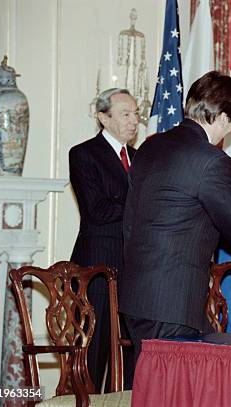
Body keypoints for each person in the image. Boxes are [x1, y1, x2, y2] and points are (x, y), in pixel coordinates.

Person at [120, 71, 231, 379]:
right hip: (173, 298)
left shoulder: (150, 146)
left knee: (146, 384)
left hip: (136, 293)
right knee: (169, 388)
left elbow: (131, 217)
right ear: (224, 117)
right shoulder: (211, 160)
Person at [69, 88, 138, 391]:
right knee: (94, 356)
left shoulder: (141, 158)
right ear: (102, 117)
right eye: (126, 114)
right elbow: (97, 210)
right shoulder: (84, 154)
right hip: (96, 271)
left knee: (131, 356)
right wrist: (140, 202)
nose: (134, 120)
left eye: (136, 113)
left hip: (135, 272)